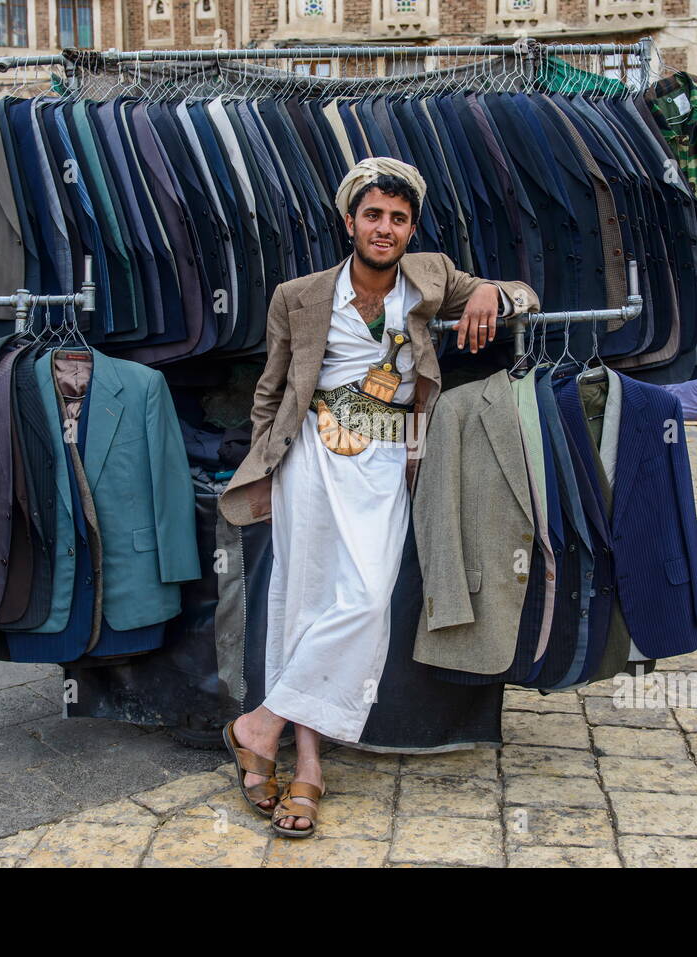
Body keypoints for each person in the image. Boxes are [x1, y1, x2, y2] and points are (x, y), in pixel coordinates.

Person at [218, 158, 537, 837]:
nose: (385, 228)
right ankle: (307, 767)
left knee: (363, 601)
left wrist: (491, 297)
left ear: (410, 226)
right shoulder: (297, 295)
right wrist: (267, 468)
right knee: (302, 605)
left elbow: (527, 293)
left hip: (390, 462)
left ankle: (258, 723)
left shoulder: (430, 278)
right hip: (310, 460)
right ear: (350, 221)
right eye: (373, 215)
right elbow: (270, 393)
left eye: (397, 218)